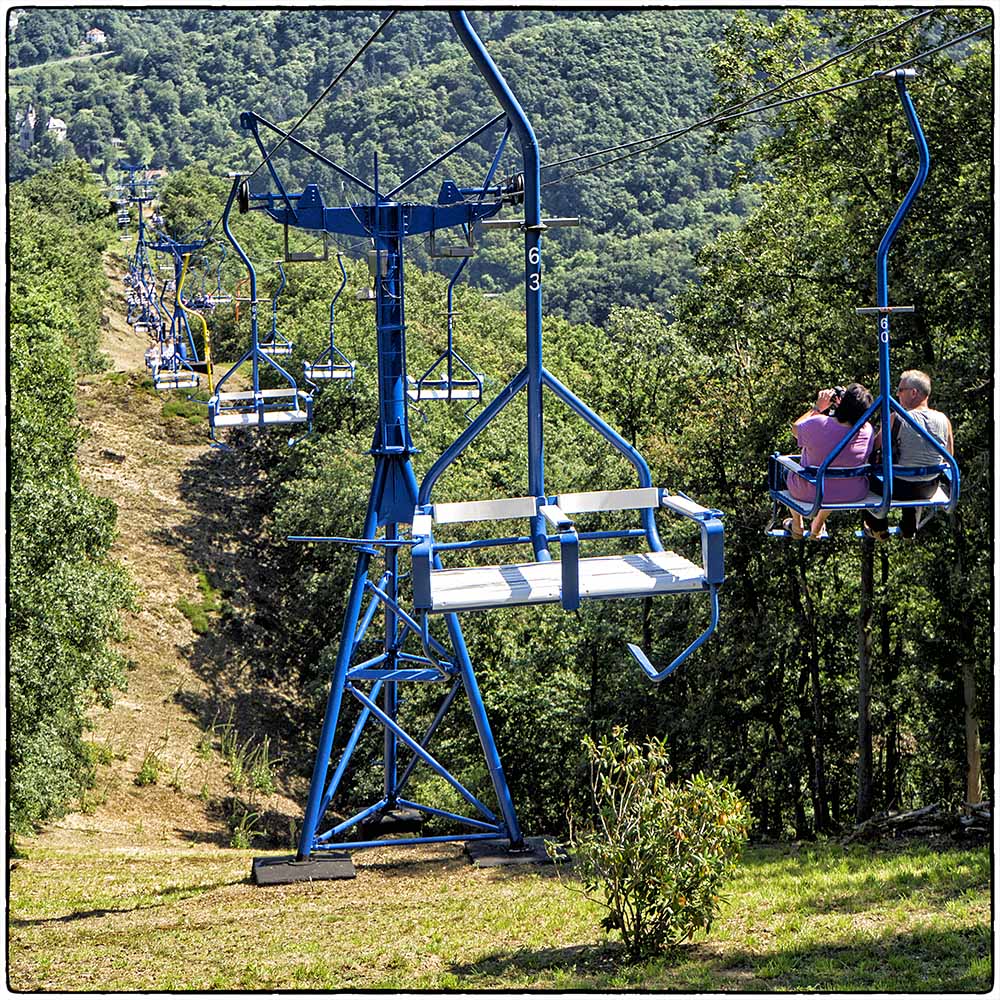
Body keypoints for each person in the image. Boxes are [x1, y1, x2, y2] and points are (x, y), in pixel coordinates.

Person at [863, 369, 954, 539]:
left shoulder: (896, 418)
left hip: (898, 488)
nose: (897, 394)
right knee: (909, 471)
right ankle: (909, 527)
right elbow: (949, 457)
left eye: (900, 390)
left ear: (913, 393)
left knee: (863, 480)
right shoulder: (944, 420)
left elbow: (872, 448)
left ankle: (877, 526)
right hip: (929, 488)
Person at [783, 382, 875, 540]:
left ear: (843, 403)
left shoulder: (818, 423)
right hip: (852, 492)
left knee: (785, 469)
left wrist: (818, 408)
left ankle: (797, 524)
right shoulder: (867, 430)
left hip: (810, 493)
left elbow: (795, 429)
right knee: (834, 478)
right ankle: (817, 524)